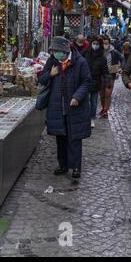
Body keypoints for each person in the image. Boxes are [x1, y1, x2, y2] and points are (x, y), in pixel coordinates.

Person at [39, 36, 91, 180]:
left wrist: (77, 97)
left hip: (75, 107)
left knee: (74, 138)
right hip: (57, 107)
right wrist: (50, 74)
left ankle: (75, 168)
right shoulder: (53, 61)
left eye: (57, 51)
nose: (55, 53)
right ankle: (62, 165)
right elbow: (42, 79)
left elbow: (87, 82)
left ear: (65, 50)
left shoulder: (80, 62)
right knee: (60, 138)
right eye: (53, 51)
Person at [84, 36, 110, 128]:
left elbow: (105, 72)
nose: (95, 45)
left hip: (95, 82)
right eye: (94, 43)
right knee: (84, 101)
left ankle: (91, 118)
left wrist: (107, 84)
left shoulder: (102, 58)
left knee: (94, 102)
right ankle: (84, 117)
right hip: (85, 82)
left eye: (97, 44)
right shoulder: (85, 54)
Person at [99, 36, 123, 118]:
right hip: (100, 74)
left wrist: (121, 68)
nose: (105, 45)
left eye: (106, 43)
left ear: (109, 44)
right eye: (103, 43)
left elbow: (122, 59)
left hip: (110, 75)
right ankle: (103, 108)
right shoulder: (99, 52)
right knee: (102, 94)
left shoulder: (114, 52)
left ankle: (106, 110)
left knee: (107, 94)